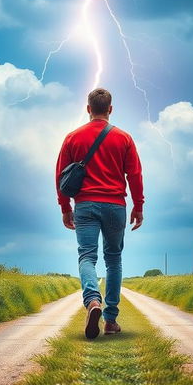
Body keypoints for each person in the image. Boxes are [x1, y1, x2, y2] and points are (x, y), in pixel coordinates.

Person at [55, 88, 144, 339]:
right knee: (113, 259)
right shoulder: (124, 138)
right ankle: (110, 320)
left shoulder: (73, 138)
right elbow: (135, 175)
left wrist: (65, 207)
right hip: (116, 205)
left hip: (84, 205)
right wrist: (138, 205)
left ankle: (93, 300)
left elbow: (61, 175)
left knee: (87, 257)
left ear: (88, 109)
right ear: (111, 109)